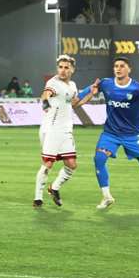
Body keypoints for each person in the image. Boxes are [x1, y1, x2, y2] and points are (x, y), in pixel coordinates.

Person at [77, 56, 139, 210]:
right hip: (111, 134)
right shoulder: (106, 83)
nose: (118, 68)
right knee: (99, 159)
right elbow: (83, 96)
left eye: (122, 66)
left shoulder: (138, 88)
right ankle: (106, 196)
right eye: (116, 66)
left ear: (129, 69)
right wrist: (84, 95)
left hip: (133, 135)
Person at [34, 55, 81, 208]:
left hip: (66, 130)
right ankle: (38, 198)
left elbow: (73, 104)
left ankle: (54, 188)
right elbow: (46, 93)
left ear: (72, 70)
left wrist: (91, 94)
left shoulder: (73, 85)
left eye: (66, 67)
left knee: (72, 164)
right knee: (48, 163)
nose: (62, 70)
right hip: (52, 129)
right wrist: (45, 102)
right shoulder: (53, 82)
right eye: (60, 67)